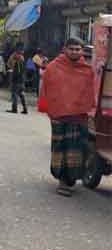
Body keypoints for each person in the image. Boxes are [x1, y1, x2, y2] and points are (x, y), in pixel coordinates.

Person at [40, 38, 96, 197]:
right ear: (65, 49)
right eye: (72, 49)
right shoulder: (53, 67)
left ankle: (71, 178)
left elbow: (90, 92)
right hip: (60, 116)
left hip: (79, 116)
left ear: (82, 51)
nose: (75, 52)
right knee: (62, 148)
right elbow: (47, 91)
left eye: (78, 49)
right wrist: (53, 107)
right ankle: (63, 181)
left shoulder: (87, 70)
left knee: (79, 148)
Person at [6, 44, 27, 114]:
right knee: (21, 94)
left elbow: (9, 64)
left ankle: (14, 109)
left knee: (14, 94)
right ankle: (25, 109)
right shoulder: (22, 58)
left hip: (16, 78)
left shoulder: (14, 57)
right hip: (22, 79)